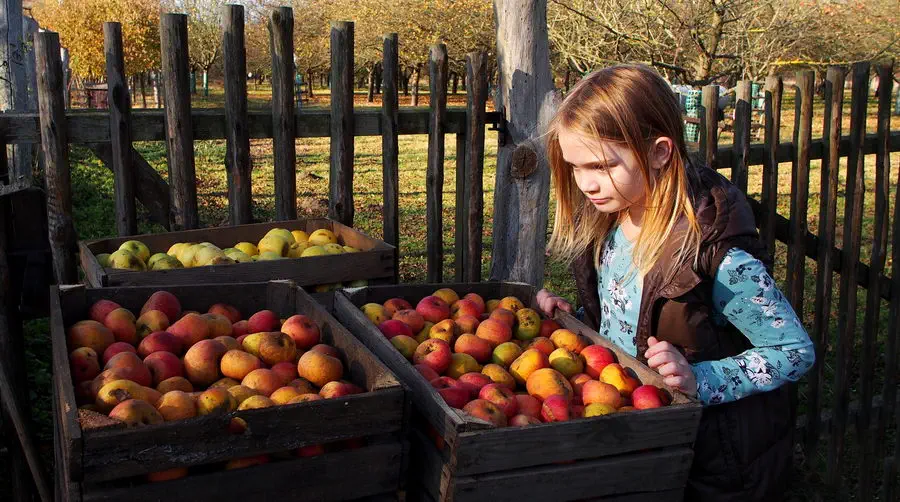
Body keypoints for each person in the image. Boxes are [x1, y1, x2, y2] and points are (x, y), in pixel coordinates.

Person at [535, 64, 815, 501]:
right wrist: (577, 323)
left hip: (710, 462)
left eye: (602, 164)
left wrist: (699, 379)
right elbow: (631, 315)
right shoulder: (610, 221)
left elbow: (793, 352)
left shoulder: (714, 254)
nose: (585, 183)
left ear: (660, 151)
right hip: (645, 444)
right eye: (574, 167)